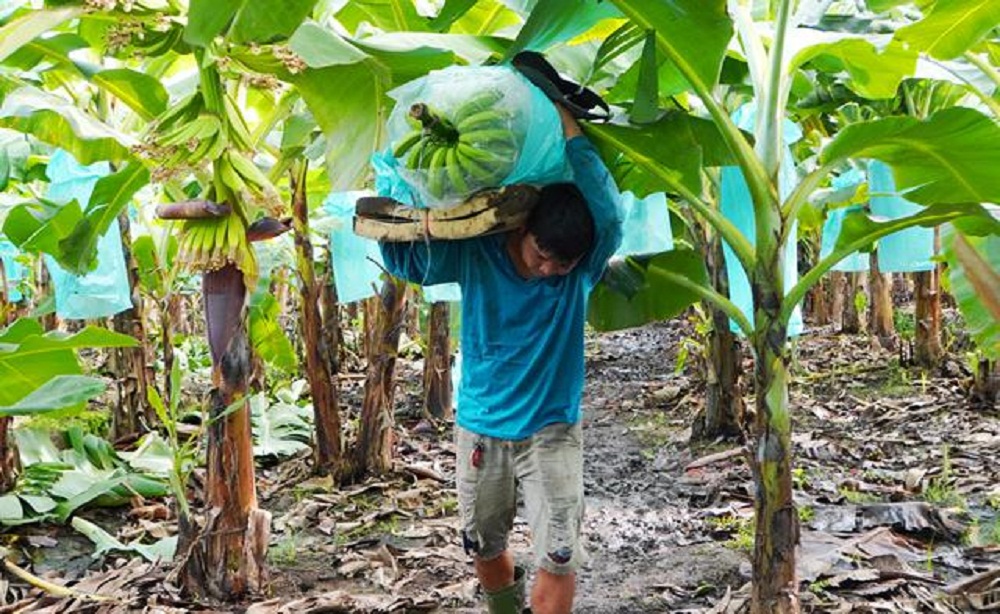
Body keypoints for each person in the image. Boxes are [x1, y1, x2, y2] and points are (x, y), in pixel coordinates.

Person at [379, 103, 623, 614]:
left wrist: (563, 115)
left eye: (565, 262)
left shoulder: (579, 274)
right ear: (520, 231)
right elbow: (408, 257)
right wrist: (398, 191)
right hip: (482, 430)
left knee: (559, 554)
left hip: (551, 431)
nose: (552, 270)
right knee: (482, 547)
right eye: (542, 255)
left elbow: (607, 207)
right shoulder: (478, 252)